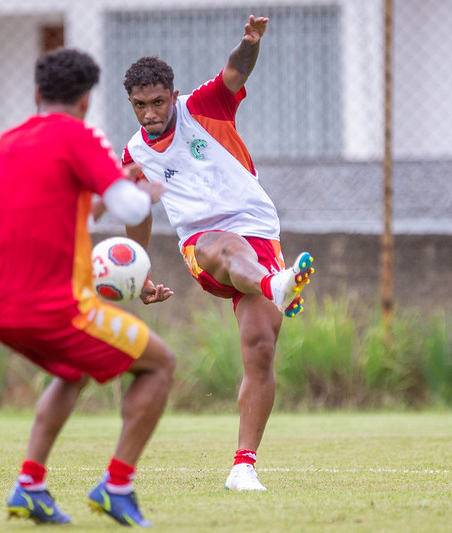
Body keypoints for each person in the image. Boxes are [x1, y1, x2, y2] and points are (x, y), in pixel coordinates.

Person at [121, 15, 315, 491]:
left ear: (173, 93)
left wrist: (249, 43)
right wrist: (139, 270)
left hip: (259, 234)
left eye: (158, 102)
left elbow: (236, 70)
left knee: (260, 347)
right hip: (202, 246)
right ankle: (275, 284)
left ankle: (243, 467)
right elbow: (139, 215)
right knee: (221, 246)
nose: (150, 113)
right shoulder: (134, 156)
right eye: (139, 105)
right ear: (131, 104)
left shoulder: (205, 107)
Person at [0, 48, 176, 527]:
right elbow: (131, 211)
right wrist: (144, 192)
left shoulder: (6, 143)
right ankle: (117, 486)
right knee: (160, 366)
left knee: (71, 370)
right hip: (57, 308)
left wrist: (112, 184)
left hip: (0, 310)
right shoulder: (79, 134)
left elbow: (71, 210)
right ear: (87, 100)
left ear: (37, 94)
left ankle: (29, 486)